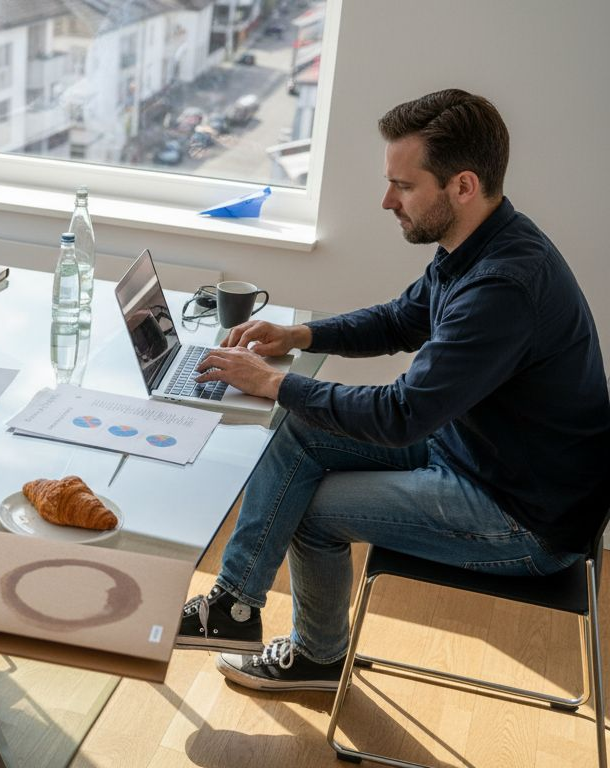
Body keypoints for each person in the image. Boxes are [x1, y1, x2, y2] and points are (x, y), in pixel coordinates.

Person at [174, 89, 610, 691]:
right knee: (306, 431)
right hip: (473, 452)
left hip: (523, 515)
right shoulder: (480, 242)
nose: (386, 201)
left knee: (314, 508)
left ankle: (317, 657)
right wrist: (300, 332)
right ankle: (235, 606)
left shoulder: (504, 286)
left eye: (403, 186)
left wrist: (275, 383)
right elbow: (402, 318)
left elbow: (402, 414)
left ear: (461, 185)